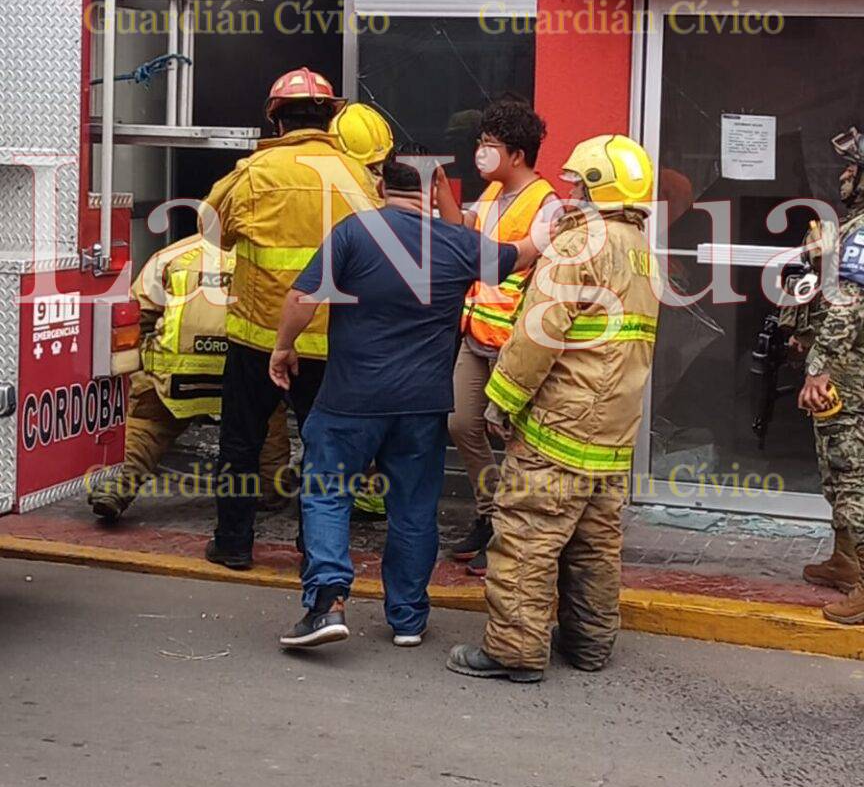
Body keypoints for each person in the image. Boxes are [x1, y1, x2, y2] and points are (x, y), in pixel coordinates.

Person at [269, 149, 545, 651]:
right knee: (413, 509)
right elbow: (520, 255)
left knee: (328, 493)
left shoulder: (354, 232)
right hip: (422, 405)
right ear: (437, 188)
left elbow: (299, 300)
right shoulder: (459, 243)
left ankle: (328, 601)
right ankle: (408, 618)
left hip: (350, 400)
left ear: (381, 186)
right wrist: (558, 222)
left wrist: (284, 348)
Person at [447, 133, 660, 683]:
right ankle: (590, 643)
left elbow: (539, 335)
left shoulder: (577, 247)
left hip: (561, 426)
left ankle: (514, 651)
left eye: (575, 181)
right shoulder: (641, 251)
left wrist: (501, 400)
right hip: (613, 431)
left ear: (595, 188)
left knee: (524, 533)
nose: (567, 189)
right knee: (594, 543)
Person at [202, 68, 376, 570]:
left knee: (241, 443)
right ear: (329, 116)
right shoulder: (358, 175)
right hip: (330, 342)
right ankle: (314, 551)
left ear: (276, 119)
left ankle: (233, 544)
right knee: (324, 450)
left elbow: (211, 230)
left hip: (258, 338)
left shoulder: (255, 173)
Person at [437, 97, 560, 575]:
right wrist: (440, 191)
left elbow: (519, 261)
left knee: (512, 439)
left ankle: (507, 532)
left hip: (514, 344)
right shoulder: (489, 196)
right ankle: (489, 514)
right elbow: (459, 236)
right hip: (474, 335)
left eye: (490, 145)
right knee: (461, 423)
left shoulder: (545, 205)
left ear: (517, 154)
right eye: (480, 143)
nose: (481, 152)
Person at [88, 234, 292, 522]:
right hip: (242, 368)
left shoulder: (173, 255)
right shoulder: (269, 258)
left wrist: (144, 364)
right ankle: (270, 490)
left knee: (148, 426)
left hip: (176, 374)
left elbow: (140, 312)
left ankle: (119, 485)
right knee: (267, 422)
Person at [797, 127, 864, 624]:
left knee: (852, 474)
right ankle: (846, 559)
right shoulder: (852, 225)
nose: (843, 175)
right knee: (837, 468)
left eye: (850, 167)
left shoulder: (861, 232)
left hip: (850, 371)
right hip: (846, 365)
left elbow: (847, 308)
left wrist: (817, 369)